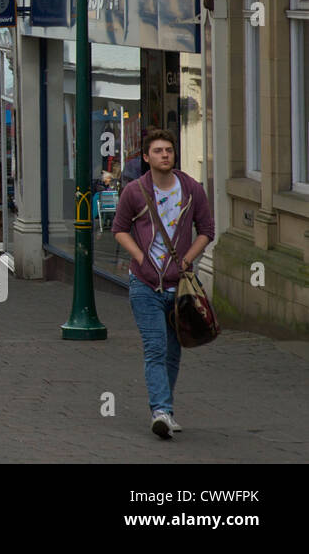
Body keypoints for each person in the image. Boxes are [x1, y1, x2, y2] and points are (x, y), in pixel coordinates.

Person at [111, 127, 215, 440]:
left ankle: (166, 411)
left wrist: (189, 259)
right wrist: (140, 258)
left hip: (180, 287)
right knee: (155, 347)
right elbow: (119, 229)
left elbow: (207, 230)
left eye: (168, 150)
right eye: (157, 151)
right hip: (144, 285)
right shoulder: (134, 191)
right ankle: (159, 410)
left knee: (173, 352)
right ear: (146, 157)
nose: (164, 155)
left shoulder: (191, 189)